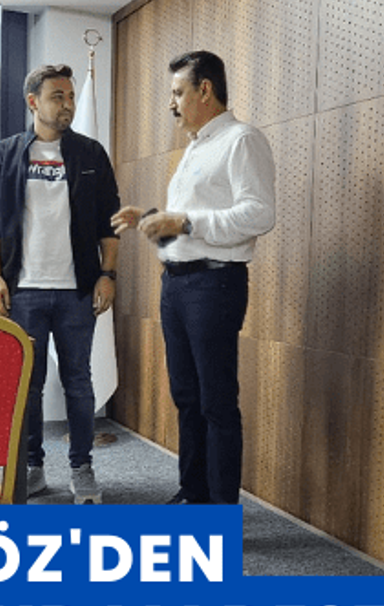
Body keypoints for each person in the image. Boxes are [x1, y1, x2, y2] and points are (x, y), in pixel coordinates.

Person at [111, 50, 275, 505]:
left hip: (214, 286)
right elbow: (192, 224)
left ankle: (220, 512)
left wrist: (181, 221)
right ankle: (193, 494)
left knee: (216, 401)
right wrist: (151, 218)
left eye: (178, 92)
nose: (172, 103)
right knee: (186, 395)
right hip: (178, 285)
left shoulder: (242, 140)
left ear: (205, 90)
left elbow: (259, 214)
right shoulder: (195, 148)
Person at [0, 64, 120, 504]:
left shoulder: (90, 153)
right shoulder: (6, 154)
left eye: (71, 96)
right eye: (58, 96)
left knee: (78, 381)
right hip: (24, 290)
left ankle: (82, 468)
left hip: (77, 289)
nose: (68, 105)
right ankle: (33, 466)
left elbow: (109, 222)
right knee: (29, 384)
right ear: (33, 101)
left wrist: (108, 274)